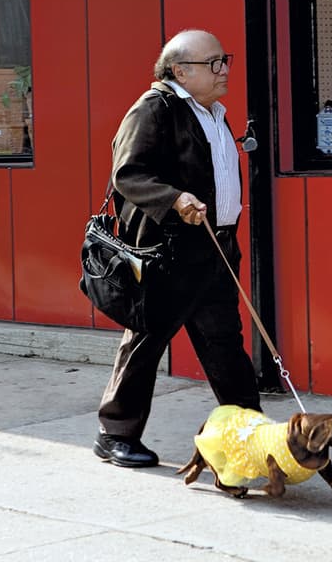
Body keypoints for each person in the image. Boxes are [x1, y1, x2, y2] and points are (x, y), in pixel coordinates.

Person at [94, 29, 263, 468]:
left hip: (217, 249)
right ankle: (115, 435)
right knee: (147, 341)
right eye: (213, 63)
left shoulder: (212, 111)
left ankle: (254, 432)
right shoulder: (155, 109)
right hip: (168, 252)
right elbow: (127, 173)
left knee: (225, 343)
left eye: (224, 60)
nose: (223, 69)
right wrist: (174, 199)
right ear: (180, 70)